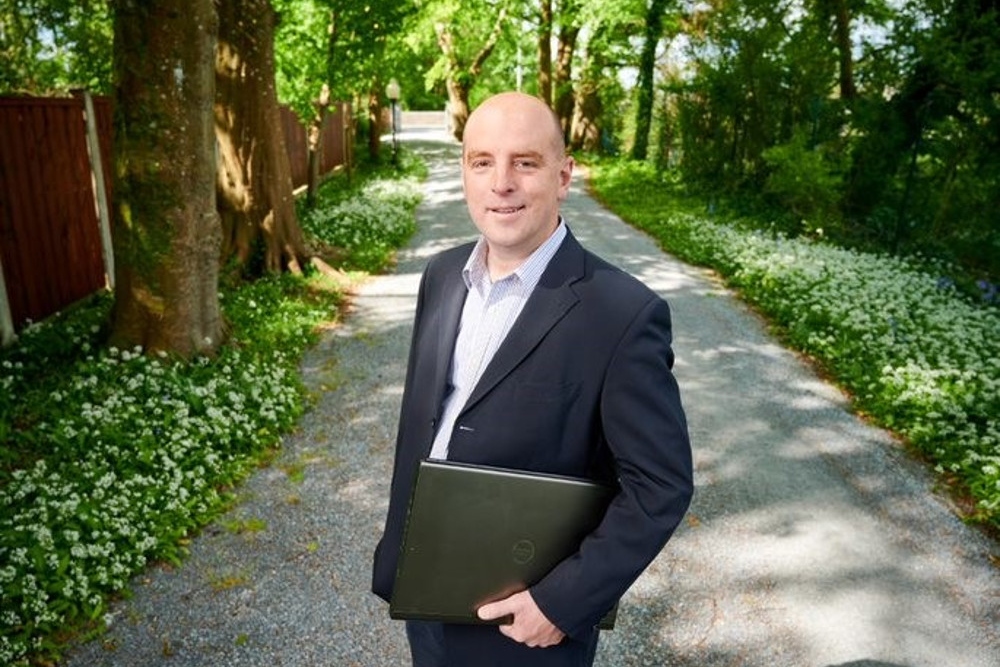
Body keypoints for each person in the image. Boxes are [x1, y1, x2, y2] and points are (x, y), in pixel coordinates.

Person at [371, 91, 694, 667]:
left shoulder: (622, 313)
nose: (502, 183)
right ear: (465, 172)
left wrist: (562, 604)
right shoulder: (442, 275)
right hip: (423, 594)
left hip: (528, 626)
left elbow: (659, 486)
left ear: (564, 175)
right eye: (482, 162)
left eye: (525, 162)